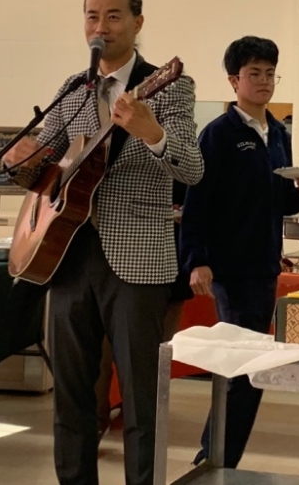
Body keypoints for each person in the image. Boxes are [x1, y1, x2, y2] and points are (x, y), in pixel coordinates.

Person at [3, 0, 203, 485]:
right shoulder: (73, 89)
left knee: (140, 398)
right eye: (92, 16)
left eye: (114, 16)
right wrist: (21, 161)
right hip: (65, 255)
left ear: (138, 22)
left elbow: (192, 169)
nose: (101, 26)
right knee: (71, 396)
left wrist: (152, 132)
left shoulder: (170, 85)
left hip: (136, 261)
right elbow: (45, 169)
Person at [180, 36, 299, 469]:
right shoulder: (218, 134)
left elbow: (278, 201)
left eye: (270, 73)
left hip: (264, 266)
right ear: (233, 81)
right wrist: (197, 259)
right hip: (229, 268)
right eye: (254, 73)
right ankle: (214, 458)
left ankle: (218, 457)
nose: (264, 81)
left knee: (252, 368)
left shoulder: (278, 133)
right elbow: (197, 200)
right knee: (242, 366)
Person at [94, 180, 193, 441]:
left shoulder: (189, 164)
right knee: (103, 353)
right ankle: (97, 421)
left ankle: (142, 424)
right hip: (122, 267)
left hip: (173, 268)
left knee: (155, 358)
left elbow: (202, 202)